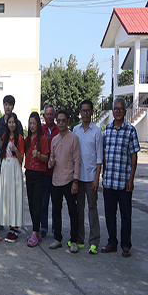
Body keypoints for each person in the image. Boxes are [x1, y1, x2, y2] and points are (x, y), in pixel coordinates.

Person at [101, 97, 140, 257]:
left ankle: (125, 245)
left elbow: (133, 156)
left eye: (120, 108)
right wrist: (103, 173)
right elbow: (103, 154)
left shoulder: (130, 130)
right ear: (112, 111)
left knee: (126, 215)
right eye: (115, 108)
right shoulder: (107, 130)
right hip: (109, 180)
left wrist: (131, 179)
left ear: (125, 111)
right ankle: (112, 242)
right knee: (110, 215)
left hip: (124, 182)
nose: (117, 111)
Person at [48, 110, 81, 252]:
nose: (60, 123)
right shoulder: (54, 139)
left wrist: (75, 181)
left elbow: (77, 161)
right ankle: (58, 238)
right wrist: (51, 162)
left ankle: (73, 240)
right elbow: (51, 161)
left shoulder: (74, 138)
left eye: (63, 120)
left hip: (69, 180)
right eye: (58, 121)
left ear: (68, 121)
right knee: (56, 211)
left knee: (73, 211)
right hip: (56, 181)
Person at [73, 99, 103, 254]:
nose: (85, 113)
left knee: (92, 208)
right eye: (83, 110)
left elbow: (99, 158)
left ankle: (94, 241)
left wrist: (97, 178)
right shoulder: (75, 130)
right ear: (80, 113)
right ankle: (80, 239)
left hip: (91, 177)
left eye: (88, 110)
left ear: (92, 112)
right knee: (79, 209)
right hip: (78, 176)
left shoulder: (97, 132)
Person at [24, 112, 49, 248]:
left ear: (38, 124)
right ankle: (37, 232)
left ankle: (34, 232)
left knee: (37, 204)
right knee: (31, 204)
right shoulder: (28, 139)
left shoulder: (42, 139)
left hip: (39, 175)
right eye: (30, 123)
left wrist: (38, 154)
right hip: (29, 173)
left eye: (34, 123)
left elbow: (46, 158)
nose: (32, 126)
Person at [0, 112, 25, 243]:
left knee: (15, 197)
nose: (11, 124)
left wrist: (16, 150)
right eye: (9, 122)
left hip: (15, 167)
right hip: (5, 168)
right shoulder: (4, 136)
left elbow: (21, 159)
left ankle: (15, 229)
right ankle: (10, 227)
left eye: (13, 122)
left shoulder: (20, 138)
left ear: (16, 123)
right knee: (7, 197)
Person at [40, 104, 59, 237]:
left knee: (56, 203)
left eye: (51, 114)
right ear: (44, 116)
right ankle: (44, 227)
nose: (49, 116)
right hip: (44, 172)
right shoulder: (41, 130)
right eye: (47, 114)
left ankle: (55, 227)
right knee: (43, 202)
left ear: (55, 116)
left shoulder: (60, 129)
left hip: (57, 173)